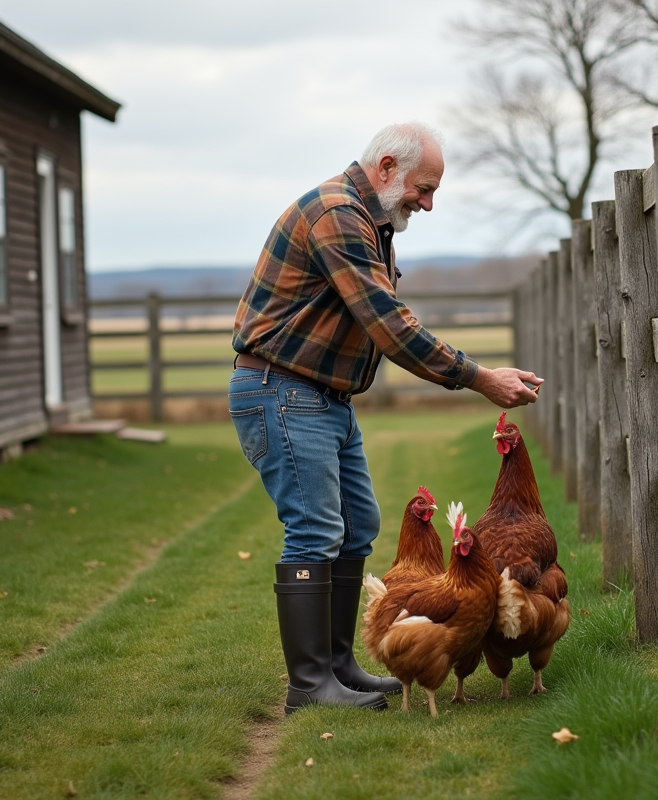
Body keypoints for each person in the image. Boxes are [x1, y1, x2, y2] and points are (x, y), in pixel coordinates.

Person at [229, 122, 543, 714]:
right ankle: (309, 685)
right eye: (424, 188)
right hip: (283, 391)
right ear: (387, 168)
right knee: (316, 531)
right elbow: (389, 323)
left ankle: (340, 667)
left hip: (323, 398)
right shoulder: (336, 215)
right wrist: (478, 377)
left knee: (359, 525)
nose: (428, 202)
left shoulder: (370, 222)